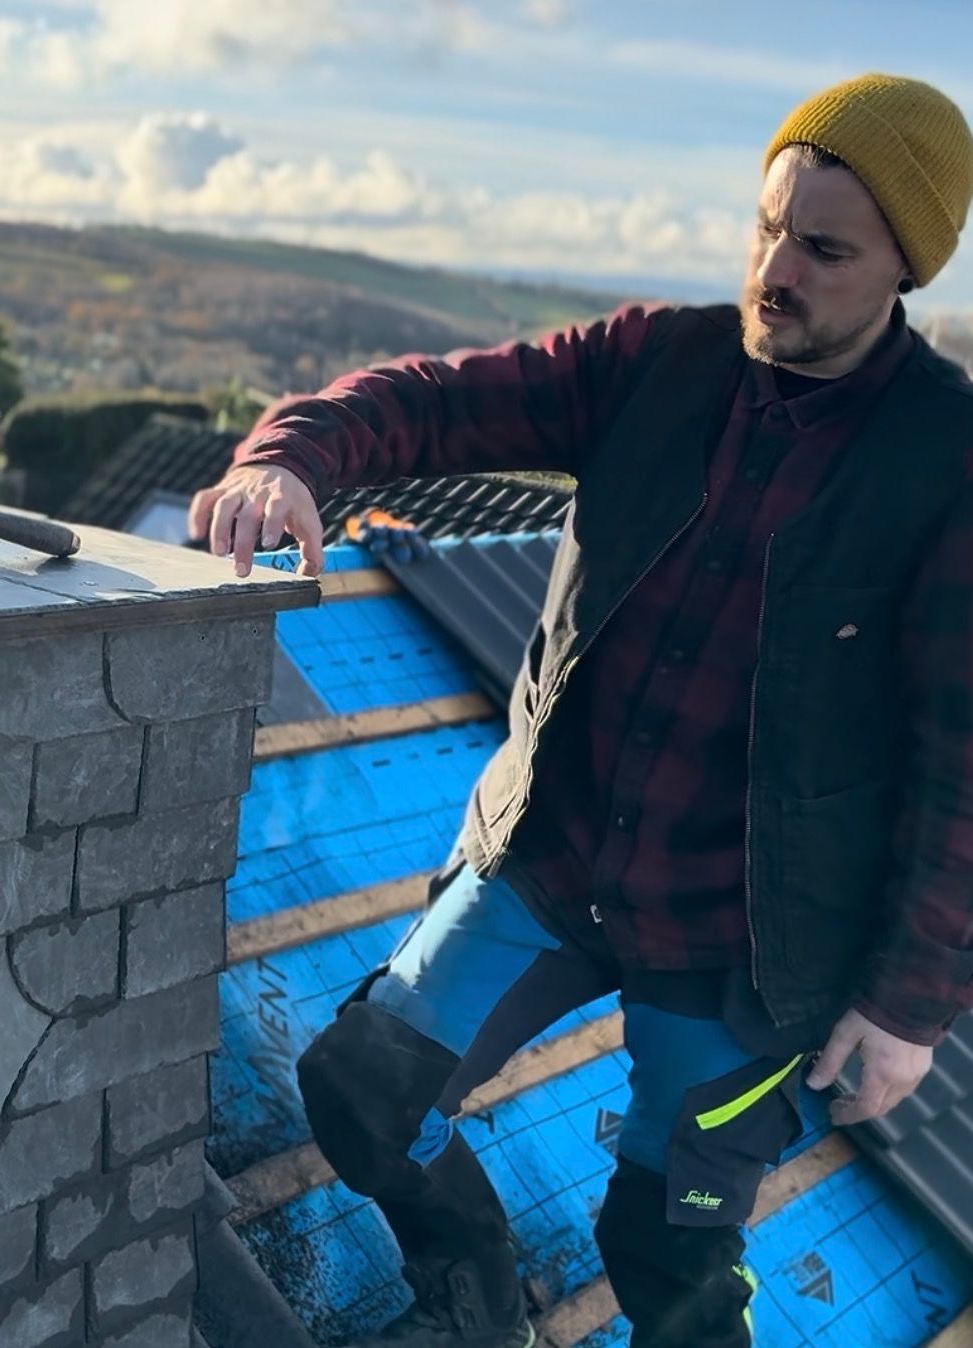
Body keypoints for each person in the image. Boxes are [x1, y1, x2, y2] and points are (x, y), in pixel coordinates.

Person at [187, 73, 973, 1348]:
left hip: (746, 945)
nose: (775, 270)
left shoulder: (945, 460)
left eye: (823, 248)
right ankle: (475, 1295)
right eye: (766, 227)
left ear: (905, 268)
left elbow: (962, 767)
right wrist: (290, 453)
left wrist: (910, 1006)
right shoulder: (654, 365)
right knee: (364, 1089)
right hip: (552, 865)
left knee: (669, 1248)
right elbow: (434, 399)